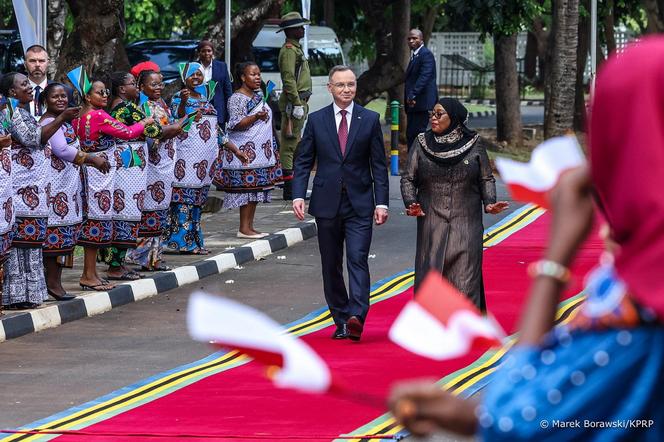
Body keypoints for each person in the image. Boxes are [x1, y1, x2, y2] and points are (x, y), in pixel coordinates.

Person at [389, 38, 664, 441]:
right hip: (434, 223)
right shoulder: (627, 286)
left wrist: (557, 258)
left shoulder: (642, 313)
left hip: (465, 222)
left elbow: (517, 420)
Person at [292, 65, 389, 342]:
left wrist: (381, 203)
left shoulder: (369, 119)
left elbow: (379, 166)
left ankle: (357, 315)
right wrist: (299, 194)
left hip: (360, 203)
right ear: (330, 88)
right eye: (341, 85)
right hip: (326, 203)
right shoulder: (318, 120)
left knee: (357, 259)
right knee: (331, 264)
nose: (347, 89)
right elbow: (302, 161)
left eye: (351, 84)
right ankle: (342, 319)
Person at [400, 98, 508, 310]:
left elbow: (486, 178)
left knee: (465, 276)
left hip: (466, 221)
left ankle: (465, 327)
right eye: (432, 113)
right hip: (432, 218)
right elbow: (408, 178)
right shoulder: (421, 142)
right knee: (431, 274)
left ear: (454, 118)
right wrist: (411, 202)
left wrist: (490, 203)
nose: (433, 117)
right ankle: (431, 326)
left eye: (439, 114)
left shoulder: (474, 143)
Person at [0, 72, 77, 309]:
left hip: (33, 191)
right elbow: (33, 138)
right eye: (24, 84)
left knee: (31, 244)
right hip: (23, 192)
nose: (30, 87)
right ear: (12, 92)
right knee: (21, 245)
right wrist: (62, 117)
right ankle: (16, 296)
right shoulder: (12, 113)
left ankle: (30, 294)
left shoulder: (24, 112)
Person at [73, 77, 150, 291]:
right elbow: (127, 133)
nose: (105, 95)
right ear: (88, 96)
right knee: (97, 222)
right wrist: (145, 122)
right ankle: (88, 275)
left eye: (106, 91)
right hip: (100, 172)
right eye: (99, 92)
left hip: (88, 170)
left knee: (93, 221)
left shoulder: (79, 117)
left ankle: (92, 273)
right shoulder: (97, 115)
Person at [39, 82, 111, 300]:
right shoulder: (49, 121)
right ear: (45, 100)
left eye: (64, 96)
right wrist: (92, 159)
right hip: (56, 189)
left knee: (63, 237)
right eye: (55, 97)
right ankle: (53, 284)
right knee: (54, 239)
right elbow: (62, 150)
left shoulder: (65, 121)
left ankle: (56, 283)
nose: (61, 100)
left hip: (67, 187)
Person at [96, 72, 161, 281]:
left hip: (130, 166)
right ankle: (115, 266)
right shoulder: (125, 109)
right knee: (126, 213)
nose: (137, 87)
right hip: (129, 168)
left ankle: (119, 263)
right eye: (133, 84)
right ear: (122, 89)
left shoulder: (116, 108)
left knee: (126, 213)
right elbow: (154, 130)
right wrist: (149, 122)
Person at [125, 68, 182, 271]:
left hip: (164, 165)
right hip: (151, 165)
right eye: (153, 84)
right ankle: (142, 257)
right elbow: (151, 137)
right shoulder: (142, 107)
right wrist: (174, 129)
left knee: (160, 211)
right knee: (149, 209)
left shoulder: (161, 104)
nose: (158, 88)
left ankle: (154, 257)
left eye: (161, 83)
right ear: (141, 87)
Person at [215, 62, 279, 239]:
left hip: (261, 152)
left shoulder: (259, 95)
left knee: (256, 190)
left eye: (259, 74)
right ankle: (244, 228)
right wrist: (255, 117)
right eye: (253, 74)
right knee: (247, 190)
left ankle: (249, 227)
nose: (257, 77)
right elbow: (235, 125)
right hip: (244, 152)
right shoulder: (237, 98)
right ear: (243, 77)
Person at [164, 63, 217, 255]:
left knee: (196, 203)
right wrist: (186, 106)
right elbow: (176, 121)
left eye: (199, 74)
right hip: (186, 161)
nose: (196, 77)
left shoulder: (205, 98)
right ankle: (182, 243)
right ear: (184, 77)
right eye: (191, 74)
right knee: (183, 202)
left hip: (204, 164)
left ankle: (195, 241)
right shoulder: (180, 97)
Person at [277, 11, 312, 200]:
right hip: (293, 104)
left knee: (296, 144)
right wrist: (297, 103)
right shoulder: (290, 50)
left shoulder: (296, 49)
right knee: (289, 147)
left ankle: (294, 186)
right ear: (291, 30)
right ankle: (290, 190)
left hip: (299, 102)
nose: (302, 29)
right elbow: (288, 79)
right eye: (299, 27)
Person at [404, 29, 438, 150]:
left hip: (421, 103)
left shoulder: (426, 54)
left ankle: (418, 166)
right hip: (413, 105)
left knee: (418, 135)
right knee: (411, 135)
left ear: (421, 40)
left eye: (414, 38)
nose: (411, 40)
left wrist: (412, 94)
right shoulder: (415, 56)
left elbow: (425, 76)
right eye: (409, 38)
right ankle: (412, 166)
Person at [23, 44, 73, 118]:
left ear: (48, 63)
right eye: (32, 61)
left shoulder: (65, 91)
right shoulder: (16, 92)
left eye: (41, 61)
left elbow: (71, 120)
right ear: (25, 64)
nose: (37, 65)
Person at [196, 40, 233, 128]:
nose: (206, 53)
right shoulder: (193, 67)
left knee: (220, 139)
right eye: (203, 51)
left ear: (213, 52)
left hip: (219, 111)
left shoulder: (222, 66)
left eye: (209, 51)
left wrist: (229, 113)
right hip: (198, 110)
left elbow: (227, 90)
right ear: (199, 53)